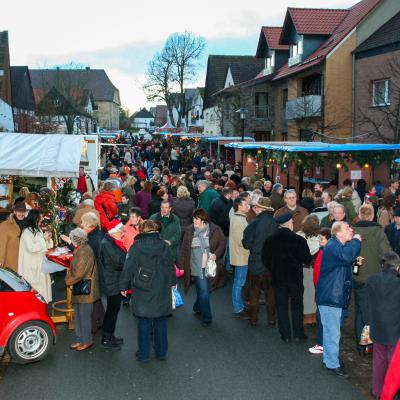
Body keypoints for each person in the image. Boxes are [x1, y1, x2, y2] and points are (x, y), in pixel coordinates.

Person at [120, 220, 176, 362]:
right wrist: (172, 283)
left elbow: (129, 267)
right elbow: (170, 265)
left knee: (143, 323)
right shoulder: (164, 245)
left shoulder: (136, 247)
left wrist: (123, 286)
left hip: (142, 288)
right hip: (161, 288)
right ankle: (161, 352)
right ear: (156, 230)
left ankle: (144, 354)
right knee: (160, 322)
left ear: (142, 230)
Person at [316, 222, 361, 377]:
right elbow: (347, 256)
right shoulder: (334, 246)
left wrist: (355, 264)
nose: (351, 230)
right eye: (348, 228)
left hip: (333, 297)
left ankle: (329, 359)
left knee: (331, 331)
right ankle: (332, 364)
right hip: (331, 297)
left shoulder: (337, 247)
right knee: (332, 332)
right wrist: (356, 240)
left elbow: (346, 263)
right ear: (338, 233)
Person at [262, 213, 311, 343]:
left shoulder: (269, 240)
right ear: (289, 223)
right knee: (297, 306)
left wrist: (273, 268)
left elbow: (265, 259)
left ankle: (285, 334)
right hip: (295, 278)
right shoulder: (299, 240)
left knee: (281, 306)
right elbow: (307, 259)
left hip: (278, 278)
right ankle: (298, 333)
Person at [352, 204, 391, 354]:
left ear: (360, 215)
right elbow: (386, 253)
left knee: (359, 312)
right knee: (374, 311)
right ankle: (371, 344)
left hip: (358, 276)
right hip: (375, 278)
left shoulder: (352, 230)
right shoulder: (379, 232)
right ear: (373, 215)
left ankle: (360, 346)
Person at [180, 208, 225, 327]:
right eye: (193, 218)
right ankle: (207, 317)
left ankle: (197, 306)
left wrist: (216, 254)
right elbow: (184, 248)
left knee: (205, 289)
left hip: (210, 265)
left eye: (197, 219)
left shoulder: (215, 229)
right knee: (204, 291)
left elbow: (222, 243)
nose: (194, 220)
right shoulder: (189, 230)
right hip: (196, 266)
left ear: (203, 219)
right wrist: (182, 265)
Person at [365, 251, 400, 399]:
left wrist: (369, 321)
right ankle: (391, 393)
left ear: (381, 265)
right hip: (395, 330)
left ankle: (377, 391)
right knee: (394, 366)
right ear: (397, 267)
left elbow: (366, 303)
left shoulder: (372, 280)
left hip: (377, 328)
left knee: (378, 362)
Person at [242, 197, 278, 326]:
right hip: (271, 261)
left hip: (256, 260)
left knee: (254, 291)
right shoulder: (275, 223)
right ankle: (271, 319)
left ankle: (253, 318)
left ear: (261, 209)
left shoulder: (254, 223)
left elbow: (246, 243)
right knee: (271, 292)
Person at [65, 228, 100, 351]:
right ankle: (80, 340)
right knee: (79, 316)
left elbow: (79, 272)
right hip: (82, 288)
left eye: (71, 238)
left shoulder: (84, 251)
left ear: (76, 239)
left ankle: (87, 341)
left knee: (83, 317)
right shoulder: (82, 249)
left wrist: (68, 281)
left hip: (85, 289)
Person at [99, 220, 127, 349]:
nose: (123, 234)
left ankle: (109, 335)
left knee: (113, 310)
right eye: (121, 232)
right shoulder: (108, 244)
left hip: (113, 280)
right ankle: (106, 338)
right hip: (112, 282)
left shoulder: (110, 242)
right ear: (113, 232)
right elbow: (119, 262)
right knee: (112, 310)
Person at [18, 209, 53, 303]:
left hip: (40, 265)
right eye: (40, 217)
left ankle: (42, 309)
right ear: (34, 218)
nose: (41, 219)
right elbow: (32, 248)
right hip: (31, 266)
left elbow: (45, 246)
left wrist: (48, 239)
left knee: (42, 291)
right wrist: (43, 239)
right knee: (34, 293)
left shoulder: (37, 229)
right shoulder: (26, 232)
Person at [309, 228, 332, 355]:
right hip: (321, 289)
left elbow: (320, 273)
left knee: (323, 316)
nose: (319, 241)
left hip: (323, 289)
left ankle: (322, 343)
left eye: (322, 239)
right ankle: (322, 342)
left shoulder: (325, 252)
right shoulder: (323, 251)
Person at [297, 214, 320, 326]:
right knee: (315, 291)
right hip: (315, 267)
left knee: (305, 292)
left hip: (303, 267)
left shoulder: (299, 235)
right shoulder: (320, 238)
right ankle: (314, 316)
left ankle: (306, 317)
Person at [229, 197, 250, 317]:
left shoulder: (239, 218)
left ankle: (239, 305)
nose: (247, 206)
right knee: (239, 283)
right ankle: (238, 308)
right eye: (245, 204)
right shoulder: (238, 220)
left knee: (239, 282)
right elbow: (240, 241)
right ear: (239, 206)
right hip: (241, 256)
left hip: (241, 255)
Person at [0, 201, 26, 271]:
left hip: (25, 263)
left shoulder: (28, 225)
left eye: (23, 211)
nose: (21, 213)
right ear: (14, 211)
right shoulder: (5, 225)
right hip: (11, 263)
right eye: (19, 211)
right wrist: (0, 261)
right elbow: (1, 245)